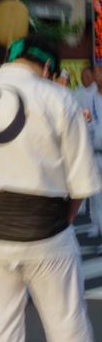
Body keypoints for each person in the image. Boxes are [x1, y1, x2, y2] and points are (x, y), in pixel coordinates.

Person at [0, 36, 101, 341]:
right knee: (68, 328)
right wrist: (65, 218)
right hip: (46, 230)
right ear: (47, 67)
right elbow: (82, 180)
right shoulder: (59, 99)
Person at [73, 65, 102, 240]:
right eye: (96, 73)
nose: (97, 76)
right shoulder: (88, 98)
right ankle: (96, 225)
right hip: (95, 152)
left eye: (99, 73)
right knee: (97, 194)